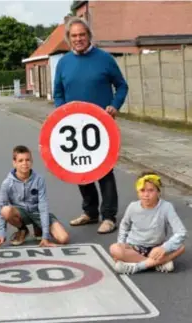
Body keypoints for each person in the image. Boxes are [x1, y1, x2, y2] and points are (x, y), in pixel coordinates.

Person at [53, 17, 129, 234]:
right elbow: (58, 92)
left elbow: (122, 86)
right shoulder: (64, 63)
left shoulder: (104, 59)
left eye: (82, 35)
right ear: (69, 38)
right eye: (74, 36)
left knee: (104, 170)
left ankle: (109, 216)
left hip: (101, 126)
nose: (78, 39)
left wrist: (115, 105)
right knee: (80, 168)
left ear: (89, 36)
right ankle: (90, 212)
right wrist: (61, 112)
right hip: (74, 127)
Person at [109, 172, 187, 274]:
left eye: (151, 190)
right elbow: (124, 225)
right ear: (138, 192)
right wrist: (122, 243)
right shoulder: (133, 207)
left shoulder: (166, 207)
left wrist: (164, 247)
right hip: (135, 247)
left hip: (156, 248)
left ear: (158, 192)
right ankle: (157, 264)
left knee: (181, 247)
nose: (146, 195)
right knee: (115, 249)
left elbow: (181, 232)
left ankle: (137, 266)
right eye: (142, 190)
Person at [0, 145, 70, 247]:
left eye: (27, 160)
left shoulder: (39, 180)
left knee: (64, 238)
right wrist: (1, 234)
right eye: (20, 161)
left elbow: (43, 207)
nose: (25, 163)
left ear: (32, 162)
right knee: (5, 210)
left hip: (38, 213)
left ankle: (38, 227)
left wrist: (45, 236)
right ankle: (23, 230)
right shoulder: (7, 183)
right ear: (14, 163)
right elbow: (0, 209)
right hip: (21, 214)